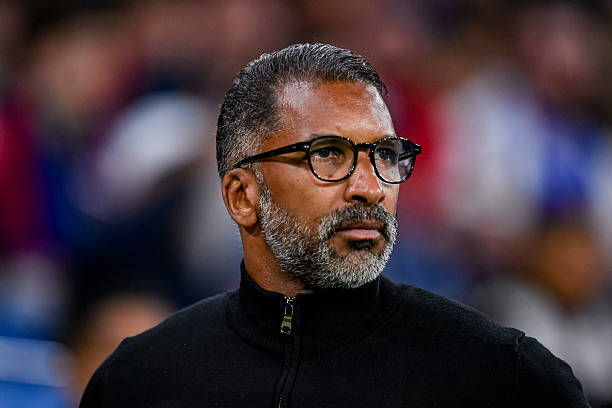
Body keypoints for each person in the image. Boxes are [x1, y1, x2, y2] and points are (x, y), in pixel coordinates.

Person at [79, 43, 590, 407]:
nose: (371, 187)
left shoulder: (506, 380)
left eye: (385, 155)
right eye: (328, 154)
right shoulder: (139, 382)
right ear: (242, 196)